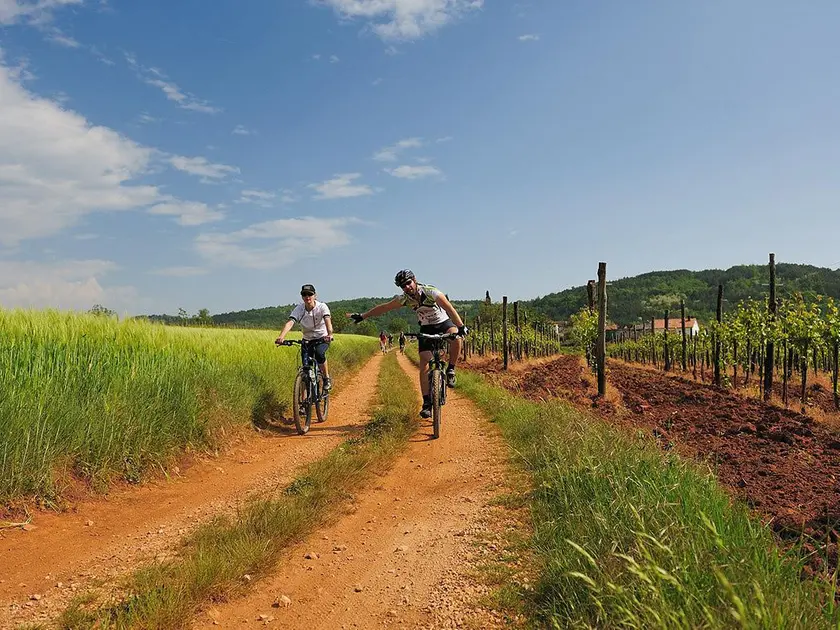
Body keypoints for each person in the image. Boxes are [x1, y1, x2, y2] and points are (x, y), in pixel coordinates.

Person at [349, 269, 467, 419]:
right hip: (426, 327)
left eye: (408, 283)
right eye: (403, 286)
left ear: (414, 280)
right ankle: (426, 404)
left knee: (456, 338)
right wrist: (363, 316)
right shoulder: (404, 299)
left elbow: (449, 308)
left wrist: (461, 327)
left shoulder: (431, 292)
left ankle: (451, 369)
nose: (407, 287)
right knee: (424, 361)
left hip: (443, 323)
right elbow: (384, 307)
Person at [275, 284, 334, 391]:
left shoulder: (322, 307)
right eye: (304, 294)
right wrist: (281, 337)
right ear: (302, 296)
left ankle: (326, 378)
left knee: (320, 354)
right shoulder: (299, 309)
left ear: (315, 295)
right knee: (306, 369)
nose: (307, 297)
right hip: (307, 340)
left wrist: (329, 334)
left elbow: (327, 321)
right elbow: (290, 323)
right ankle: (304, 402)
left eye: (310, 294)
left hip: (322, 338)